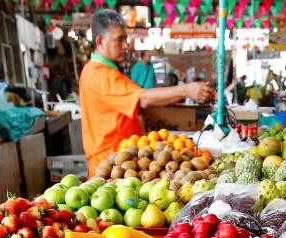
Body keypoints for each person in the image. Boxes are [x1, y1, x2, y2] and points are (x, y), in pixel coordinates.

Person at [78, 10, 212, 172]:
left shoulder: (95, 70)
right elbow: (141, 98)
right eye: (119, 40)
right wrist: (186, 90)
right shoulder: (101, 74)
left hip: (122, 160)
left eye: (125, 39)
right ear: (100, 42)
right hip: (110, 164)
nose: (126, 45)